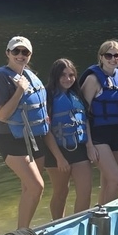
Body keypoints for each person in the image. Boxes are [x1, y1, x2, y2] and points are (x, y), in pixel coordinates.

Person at [0, 36, 49, 228]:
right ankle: (22, 233)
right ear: (8, 53)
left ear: (30, 55)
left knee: (28, 188)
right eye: (16, 51)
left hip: (34, 137)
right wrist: (20, 91)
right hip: (10, 138)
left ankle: (23, 231)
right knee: (36, 187)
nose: (20, 55)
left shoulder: (29, 75)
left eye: (25, 52)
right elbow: (3, 115)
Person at [42, 58, 96, 219]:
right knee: (61, 192)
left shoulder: (77, 94)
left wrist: (89, 145)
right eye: (63, 75)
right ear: (55, 76)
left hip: (79, 148)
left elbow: (84, 119)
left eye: (71, 75)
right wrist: (59, 158)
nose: (68, 79)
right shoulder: (47, 96)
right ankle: (57, 224)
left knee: (85, 190)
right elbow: (46, 130)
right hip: (55, 152)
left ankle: (78, 224)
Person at [80, 39, 118, 204]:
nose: (113, 58)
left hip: (116, 133)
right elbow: (82, 114)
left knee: (108, 181)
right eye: (108, 55)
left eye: (117, 55)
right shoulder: (93, 80)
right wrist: (88, 145)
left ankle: (100, 216)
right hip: (98, 135)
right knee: (116, 178)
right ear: (101, 57)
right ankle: (108, 218)